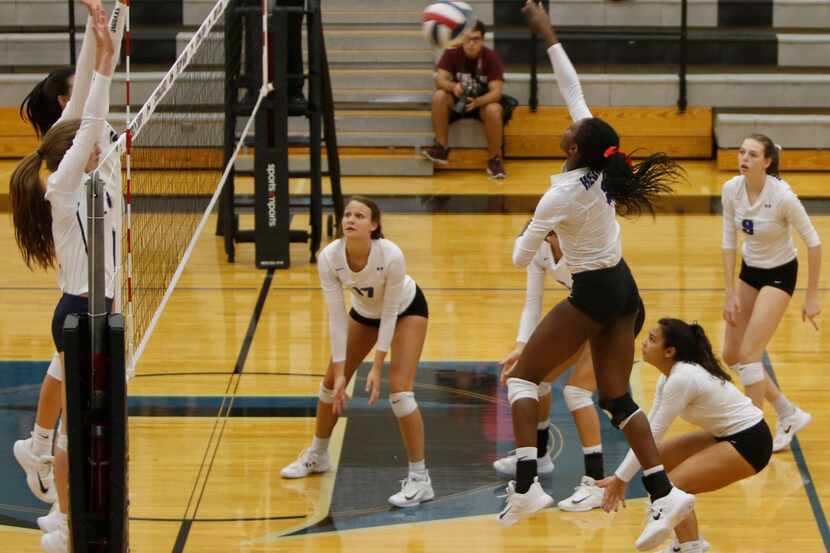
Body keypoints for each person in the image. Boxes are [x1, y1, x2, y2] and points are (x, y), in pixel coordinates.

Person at [497, 3, 691, 550]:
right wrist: (548, 33)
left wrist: (525, 239)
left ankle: (527, 485)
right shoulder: (601, 160)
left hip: (594, 292)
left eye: (570, 127)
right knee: (616, 399)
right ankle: (662, 493)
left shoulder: (560, 193)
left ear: (573, 147)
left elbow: (519, 260)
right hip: (625, 288)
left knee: (521, 379)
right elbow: (572, 86)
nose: (568, 119)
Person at [11, 0, 126, 538]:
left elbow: (86, 96)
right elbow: (92, 109)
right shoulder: (64, 184)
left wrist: (106, 29)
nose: (99, 141)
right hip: (83, 312)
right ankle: (59, 517)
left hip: (94, 307)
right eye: (87, 141)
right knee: (81, 429)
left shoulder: (93, 172)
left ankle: (36, 448)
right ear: (74, 150)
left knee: (74, 416)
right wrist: (103, 59)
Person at [280, 197, 435, 508]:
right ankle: (318, 455)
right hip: (363, 314)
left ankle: (420, 479)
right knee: (329, 386)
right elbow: (337, 316)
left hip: (406, 310)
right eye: (347, 214)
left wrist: (376, 367)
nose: (351, 219)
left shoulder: (390, 255)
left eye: (360, 215)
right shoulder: (329, 257)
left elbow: (390, 313)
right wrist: (341, 373)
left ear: (373, 225)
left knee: (401, 391)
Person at [497, 229, 646, 512]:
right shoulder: (537, 248)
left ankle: (594, 481)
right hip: (585, 314)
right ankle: (539, 456)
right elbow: (532, 302)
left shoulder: (585, 241)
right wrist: (521, 346)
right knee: (534, 379)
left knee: (577, 392)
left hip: (619, 316)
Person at [598, 319, 772, 553]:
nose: (643, 343)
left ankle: (689, 547)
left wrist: (621, 479)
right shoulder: (668, 376)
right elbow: (648, 435)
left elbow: (654, 433)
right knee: (658, 463)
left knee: (670, 487)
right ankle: (690, 544)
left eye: (651, 339)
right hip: (725, 435)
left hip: (751, 443)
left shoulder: (683, 378)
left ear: (669, 351)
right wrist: (621, 477)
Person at [720, 134, 821, 452]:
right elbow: (728, 241)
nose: (744, 158)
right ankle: (788, 412)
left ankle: (754, 440)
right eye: (741, 152)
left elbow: (814, 243)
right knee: (732, 354)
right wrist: (729, 293)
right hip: (750, 271)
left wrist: (812, 295)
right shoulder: (731, 190)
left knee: (750, 356)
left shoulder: (783, 197)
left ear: (767, 161)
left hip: (780, 274)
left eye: (752, 154)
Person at [423, 20, 510, 179]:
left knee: (494, 108)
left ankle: (494, 160)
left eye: (476, 39)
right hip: (458, 101)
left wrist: (478, 102)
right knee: (439, 96)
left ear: (483, 40)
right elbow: (440, 80)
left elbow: (496, 92)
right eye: (467, 39)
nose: (471, 44)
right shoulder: (451, 52)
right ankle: (441, 148)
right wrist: (453, 87)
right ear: (462, 38)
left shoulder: (490, 57)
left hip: (481, 103)